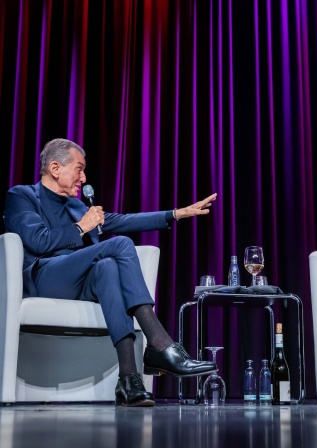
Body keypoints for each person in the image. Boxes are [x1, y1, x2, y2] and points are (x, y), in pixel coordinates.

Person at [3, 138, 218, 407]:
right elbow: (38, 241)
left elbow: (122, 220)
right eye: (79, 169)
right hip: (44, 278)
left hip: (78, 280)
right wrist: (81, 227)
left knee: (106, 267)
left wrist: (175, 213)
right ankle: (161, 344)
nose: (84, 178)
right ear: (56, 168)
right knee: (119, 245)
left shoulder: (76, 207)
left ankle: (129, 380)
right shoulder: (21, 196)